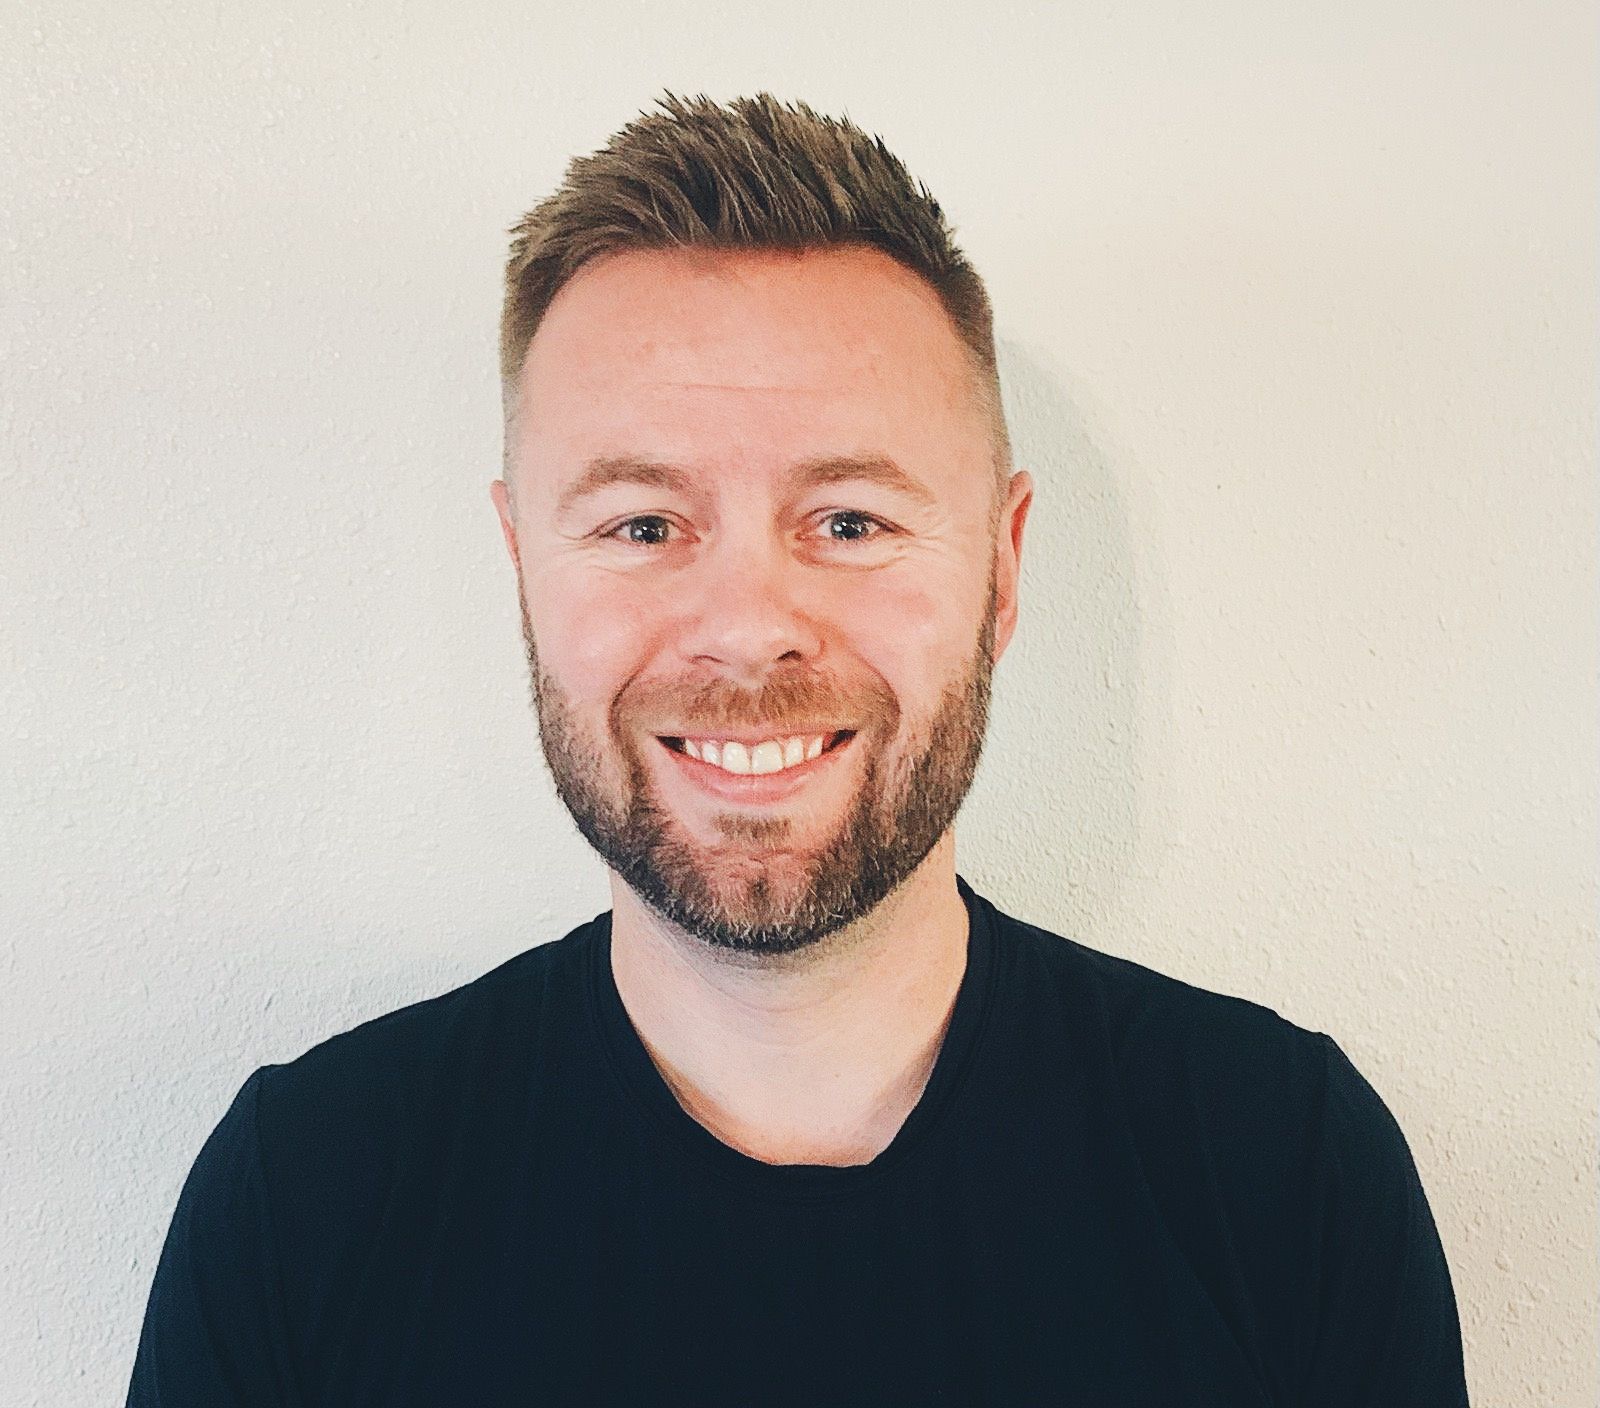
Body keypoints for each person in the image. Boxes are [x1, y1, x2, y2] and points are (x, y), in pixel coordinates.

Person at [127, 93, 1470, 1405]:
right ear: (524, 567)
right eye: (643, 525)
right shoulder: (306, 1200)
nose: (749, 629)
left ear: (1003, 569)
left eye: (849, 522)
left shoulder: (1283, 1172)